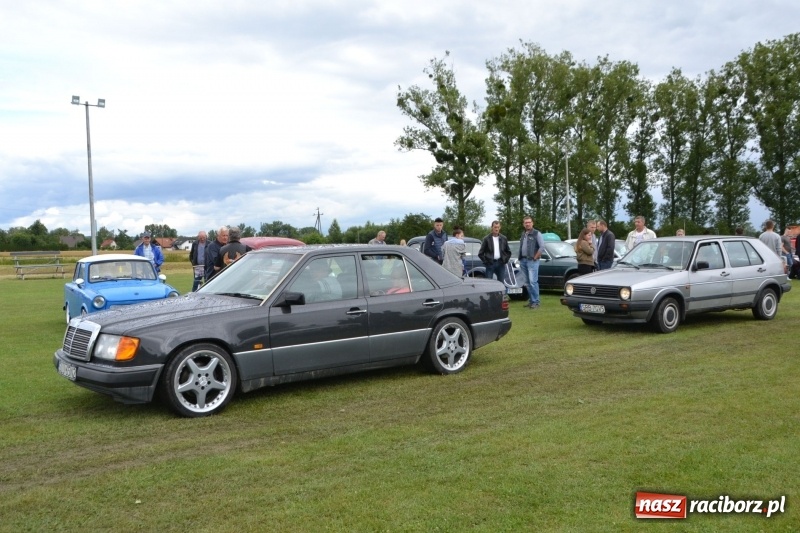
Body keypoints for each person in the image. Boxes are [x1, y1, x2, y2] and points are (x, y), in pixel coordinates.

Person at [519, 216, 545, 309]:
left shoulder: (537, 233)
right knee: (527, 282)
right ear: (523, 224)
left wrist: (535, 257)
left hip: (532, 261)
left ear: (532, 223)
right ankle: (531, 301)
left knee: (533, 282)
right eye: (526, 222)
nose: (527, 224)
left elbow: (542, 247)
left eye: (529, 222)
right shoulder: (523, 234)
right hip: (523, 260)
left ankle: (536, 302)